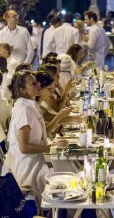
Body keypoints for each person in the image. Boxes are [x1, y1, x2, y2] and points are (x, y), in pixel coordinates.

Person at [2, 71, 66, 206]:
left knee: (66, 170)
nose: (39, 85)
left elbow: (42, 133)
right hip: (26, 167)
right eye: (34, 83)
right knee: (66, 177)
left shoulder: (29, 105)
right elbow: (24, 147)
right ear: (23, 90)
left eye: (37, 81)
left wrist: (58, 119)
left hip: (34, 161)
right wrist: (53, 148)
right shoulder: (24, 110)